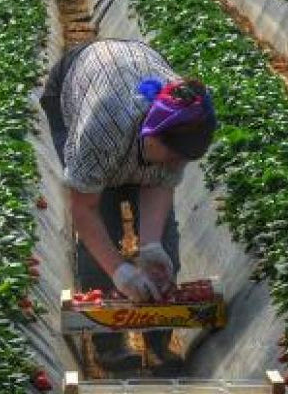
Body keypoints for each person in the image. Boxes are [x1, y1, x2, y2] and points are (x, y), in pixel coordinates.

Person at [40, 39, 217, 373]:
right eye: (174, 156)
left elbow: (161, 180)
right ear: (152, 135)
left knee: (164, 241)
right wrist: (120, 271)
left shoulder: (183, 123)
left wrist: (150, 246)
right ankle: (107, 343)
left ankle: (159, 340)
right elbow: (83, 209)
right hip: (75, 87)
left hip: (132, 69)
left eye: (184, 159)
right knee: (103, 222)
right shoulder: (102, 130)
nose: (177, 163)